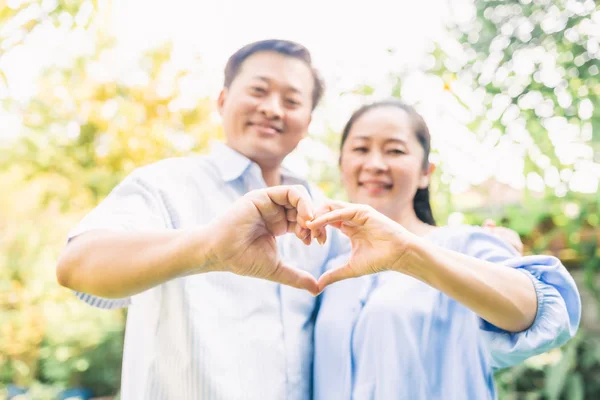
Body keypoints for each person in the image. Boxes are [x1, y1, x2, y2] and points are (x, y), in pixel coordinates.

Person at [56, 39, 343, 400]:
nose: (272, 109)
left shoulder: (323, 216)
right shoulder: (165, 184)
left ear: (307, 122)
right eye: (258, 90)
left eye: (291, 101)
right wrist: (209, 248)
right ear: (222, 100)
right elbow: (76, 265)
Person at [309, 100, 581, 400]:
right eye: (361, 149)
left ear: (426, 172)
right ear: (342, 164)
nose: (374, 164)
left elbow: (545, 313)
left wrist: (408, 254)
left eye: (395, 150)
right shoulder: (327, 264)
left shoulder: (466, 246)